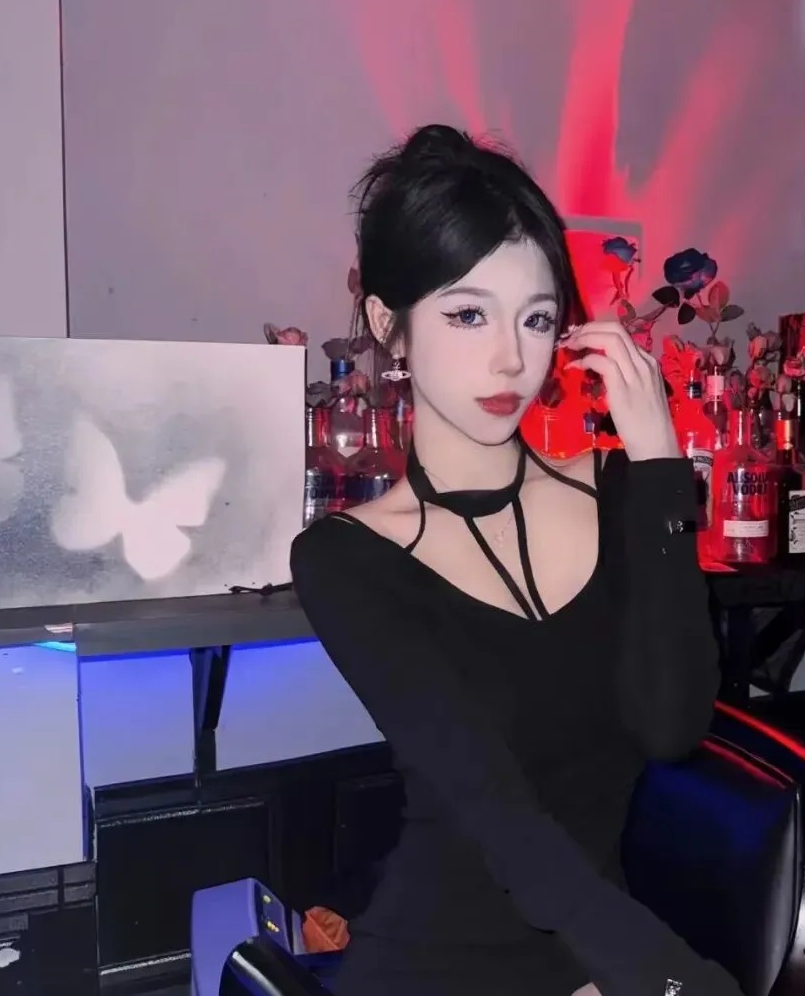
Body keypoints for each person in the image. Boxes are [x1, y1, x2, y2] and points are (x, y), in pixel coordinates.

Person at [291, 124, 743, 996]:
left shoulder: (618, 492)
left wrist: (657, 464)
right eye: (468, 314)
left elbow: (671, 725)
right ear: (389, 324)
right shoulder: (347, 560)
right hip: (437, 967)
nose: (510, 358)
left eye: (536, 318)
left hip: (593, 952)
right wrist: (671, 981)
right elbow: (498, 816)